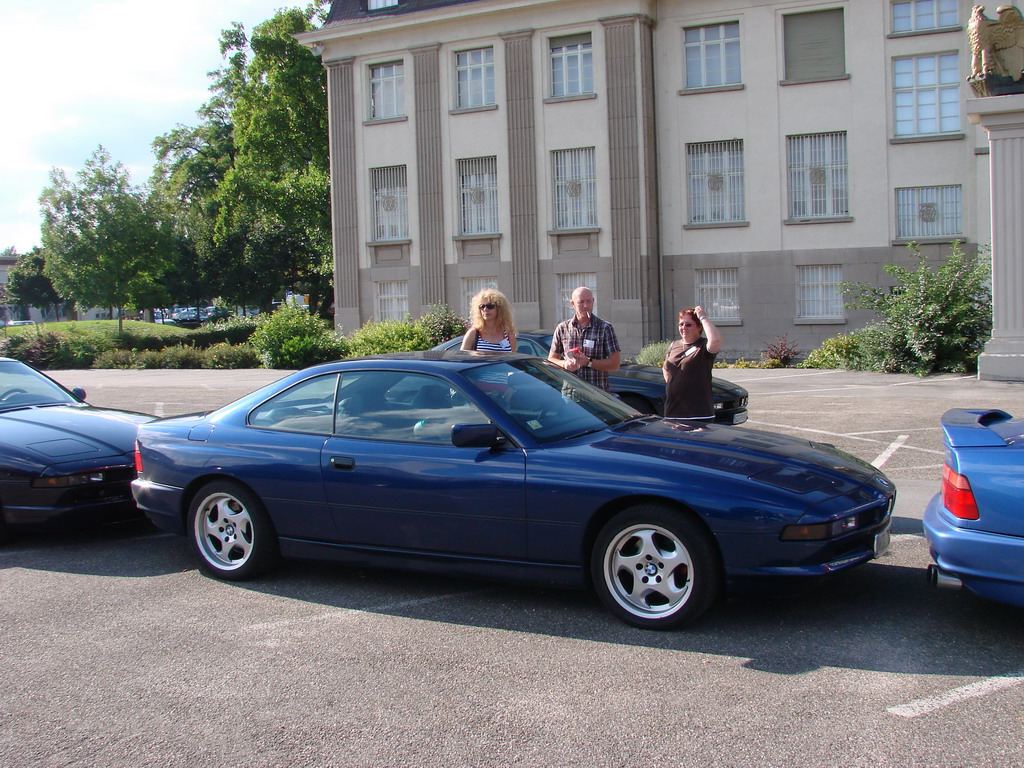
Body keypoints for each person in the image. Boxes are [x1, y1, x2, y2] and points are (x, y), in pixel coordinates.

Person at [548, 286, 620, 390]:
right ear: (572, 304)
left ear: (593, 301)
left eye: (588, 301)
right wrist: (564, 364)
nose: (585, 306)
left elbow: (615, 364)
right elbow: (551, 360)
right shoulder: (563, 328)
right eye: (581, 302)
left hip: (597, 393)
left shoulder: (605, 328)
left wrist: (588, 362)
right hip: (571, 392)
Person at [663, 305, 722, 419]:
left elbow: (716, 339)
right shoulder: (673, 345)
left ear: (699, 327)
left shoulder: (703, 346)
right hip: (673, 412)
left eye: (688, 325)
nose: (684, 327)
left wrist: (703, 317)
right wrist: (674, 385)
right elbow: (666, 368)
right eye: (681, 324)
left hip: (699, 414)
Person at [461, 289, 518, 353]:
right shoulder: (473, 333)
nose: (485, 309)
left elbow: (513, 358)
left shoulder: (509, 335)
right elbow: (462, 357)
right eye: (482, 306)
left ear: (500, 309)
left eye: (490, 306)